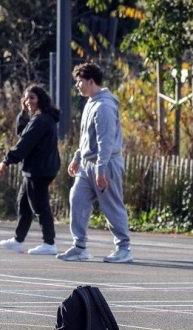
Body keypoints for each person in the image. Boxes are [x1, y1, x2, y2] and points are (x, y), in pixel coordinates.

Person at [56, 62, 133, 263]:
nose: (77, 86)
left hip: (106, 164)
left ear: (91, 81)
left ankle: (124, 248)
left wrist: (101, 170)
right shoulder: (91, 102)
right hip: (88, 164)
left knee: (112, 205)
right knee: (77, 198)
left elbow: (105, 142)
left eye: (79, 82)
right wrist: (77, 157)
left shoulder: (104, 106)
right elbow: (86, 137)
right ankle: (79, 247)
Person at [0, 85, 61, 255]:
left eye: (32, 98)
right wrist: (23, 112)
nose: (28, 101)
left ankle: (49, 243)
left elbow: (24, 143)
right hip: (36, 169)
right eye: (25, 98)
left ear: (40, 99)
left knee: (39, 205)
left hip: (39, 169)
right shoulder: (39, 118)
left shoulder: (41, 120)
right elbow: (22, 133)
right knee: (24, 204)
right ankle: (18, 240)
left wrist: (6, 160)